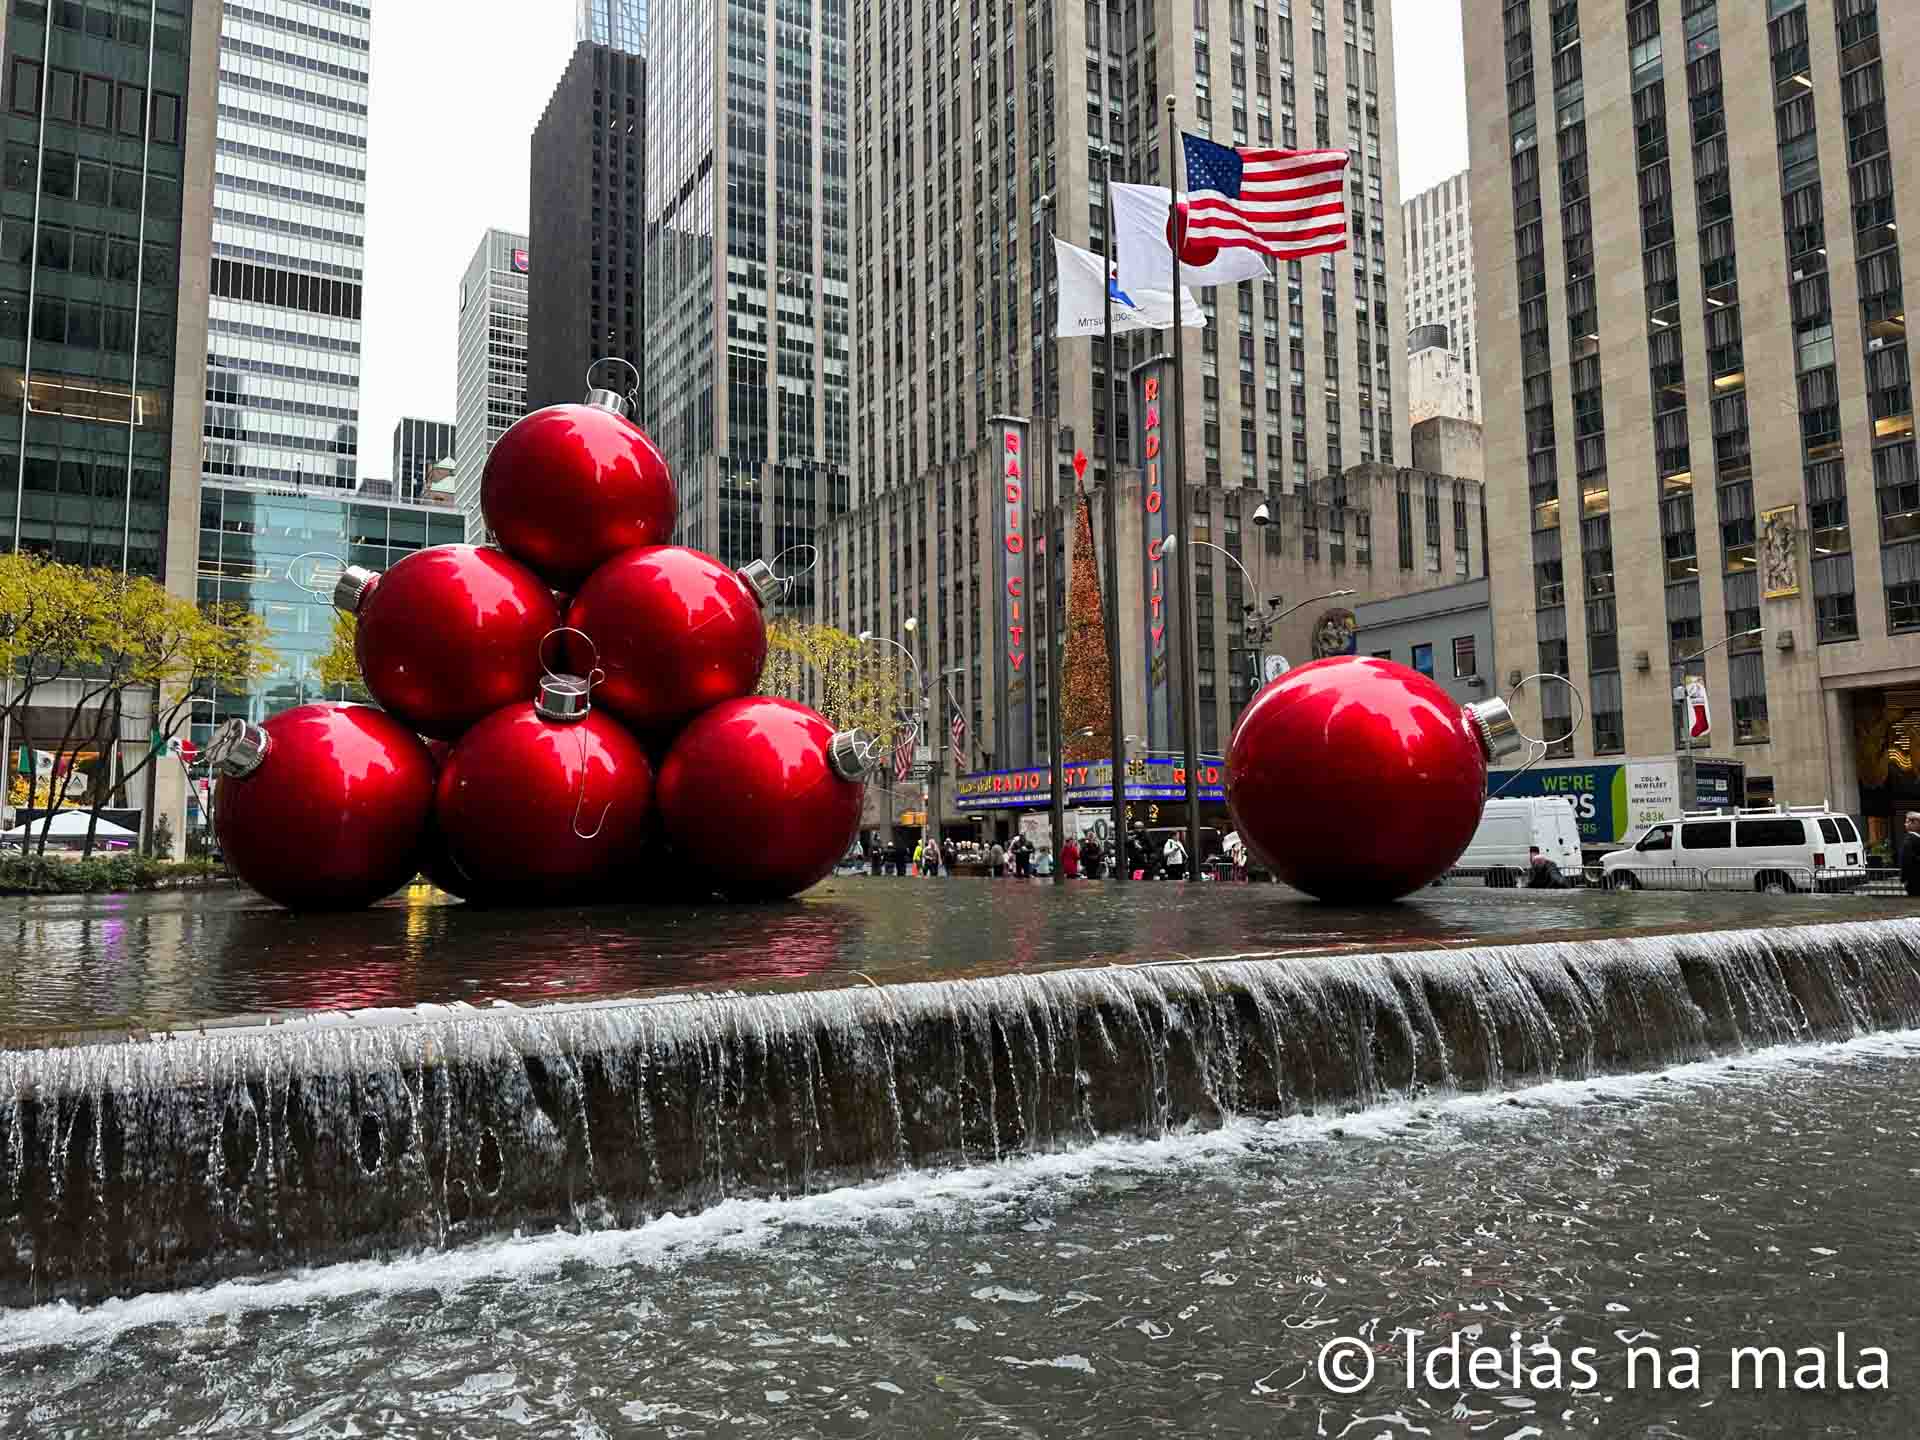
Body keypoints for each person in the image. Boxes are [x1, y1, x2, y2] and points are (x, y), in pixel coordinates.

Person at [1902, 813, 1920, 897]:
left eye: (1907, 822)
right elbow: (1907, 861)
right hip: (1915, 882)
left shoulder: (1912, 840)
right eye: (1906, 822)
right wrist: (1905, 879)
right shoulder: (1910, 840)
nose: (1905, 824)